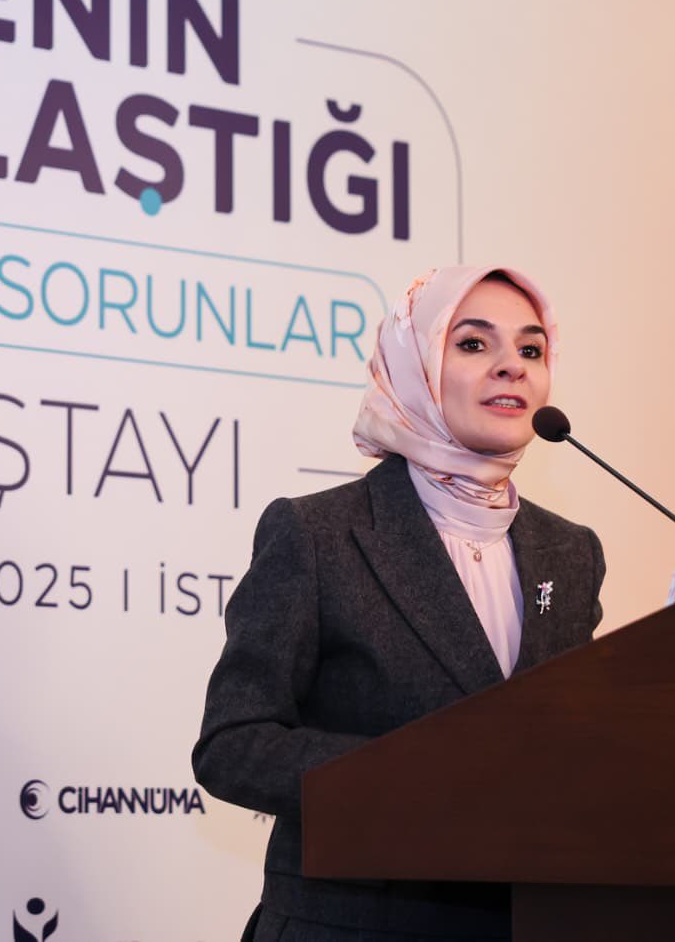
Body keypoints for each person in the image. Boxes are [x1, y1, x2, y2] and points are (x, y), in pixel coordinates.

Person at [192, 265, 606, 941]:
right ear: (414, 368)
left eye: (531, 349)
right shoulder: (318, 533)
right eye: (473, 344)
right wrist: (412, 778)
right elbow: (232, 745)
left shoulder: (571, 551)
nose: (512, 366)